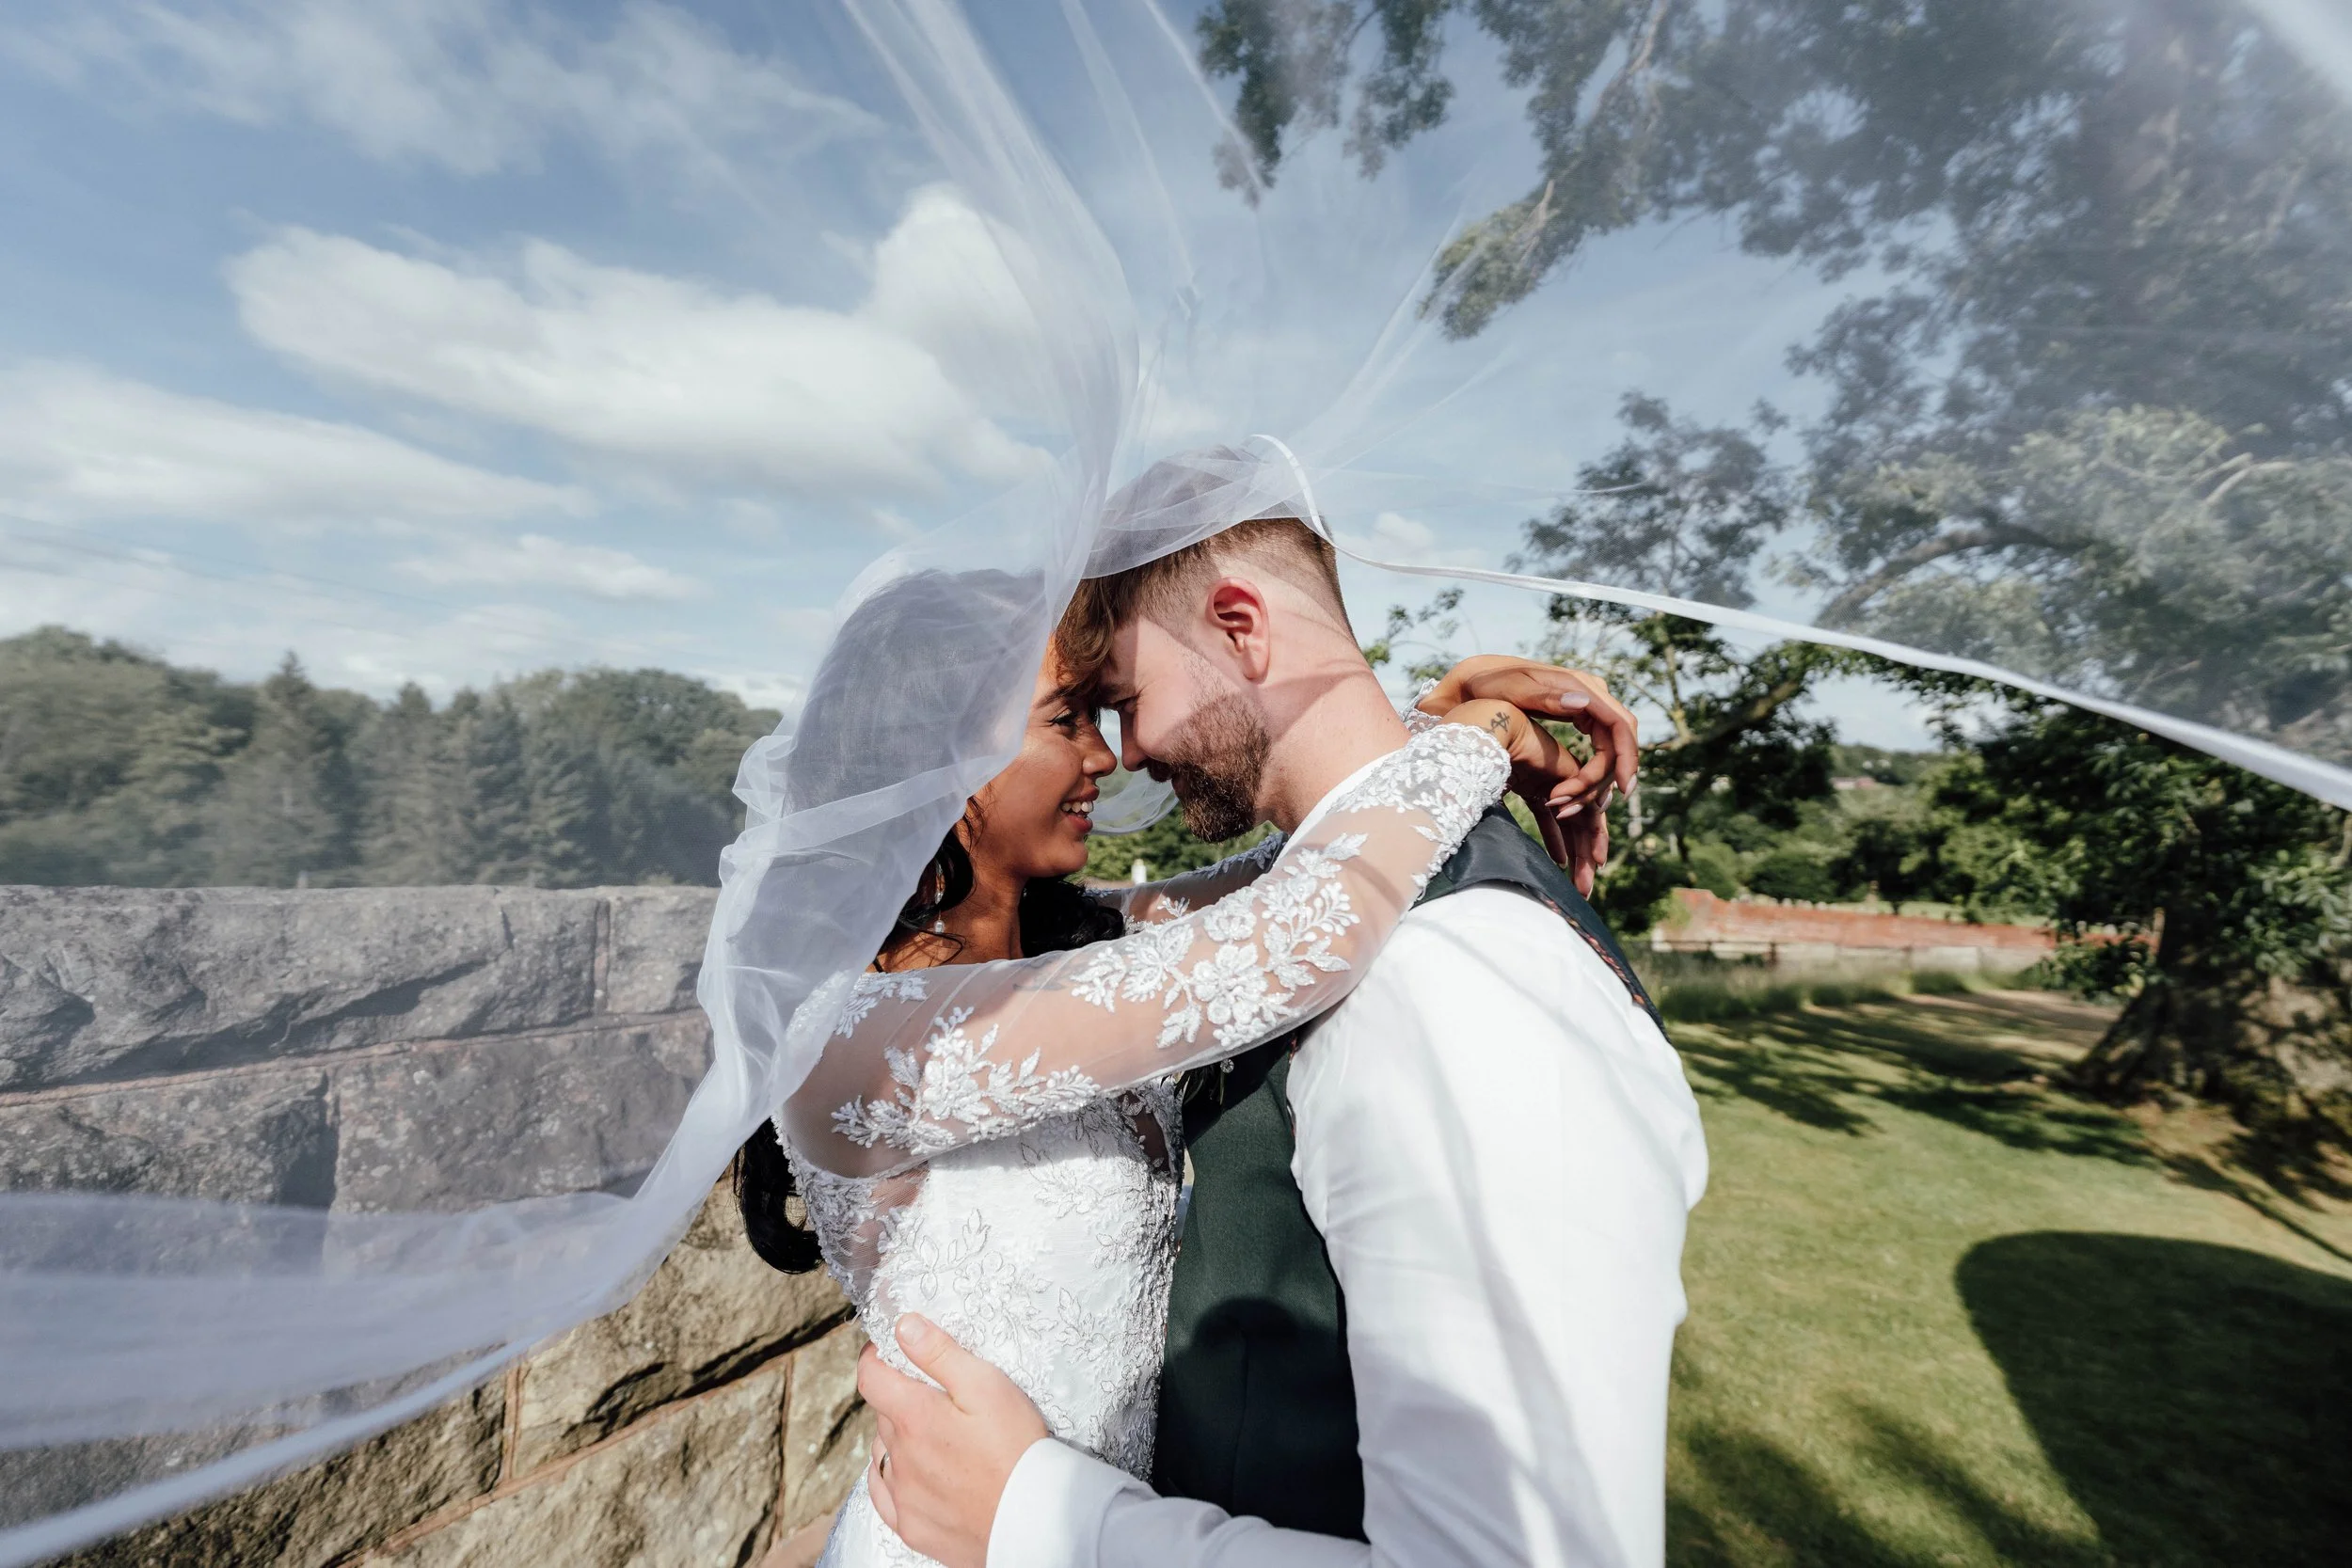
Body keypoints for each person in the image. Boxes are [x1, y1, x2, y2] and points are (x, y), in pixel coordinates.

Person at [855, 510, 1710, 1568]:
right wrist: (1466, 735)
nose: (1115, 757)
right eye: (1070, 716)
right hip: (941, 1526)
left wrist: (1443, 731)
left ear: (1240, 626)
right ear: (938, 759)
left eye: (1112, 704)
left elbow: (1293, 886)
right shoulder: (861, 1035)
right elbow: (1291, 923)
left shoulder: (1448, 968)